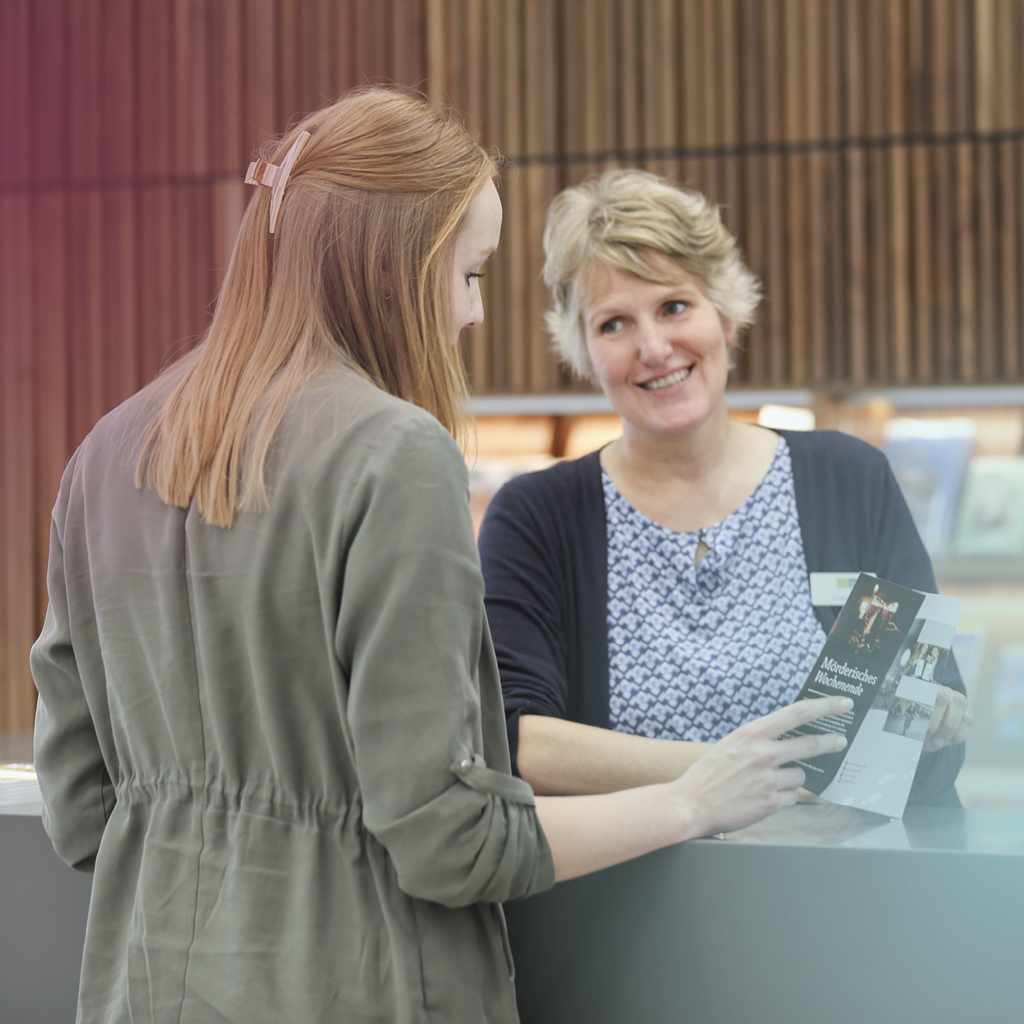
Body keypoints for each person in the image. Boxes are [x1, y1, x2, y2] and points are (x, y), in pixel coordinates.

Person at [30, 92, 850, 1023]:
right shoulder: (395, 454)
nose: (472, 312)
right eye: (469, 273)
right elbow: (449, 839)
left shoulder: (105, 451)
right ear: (398, 266)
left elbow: (78, 802)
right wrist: (694, 802)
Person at [478, 168, 972, 807]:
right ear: (583, 350)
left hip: (836, 892)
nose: (654, 347)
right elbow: (519, 743)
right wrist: (733, 773)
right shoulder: (537, 518)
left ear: (727, 313)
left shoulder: (847, 481)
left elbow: (929, 733)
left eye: (674, 307)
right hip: (627, 901)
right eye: (613, 324)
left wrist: (932, 720)